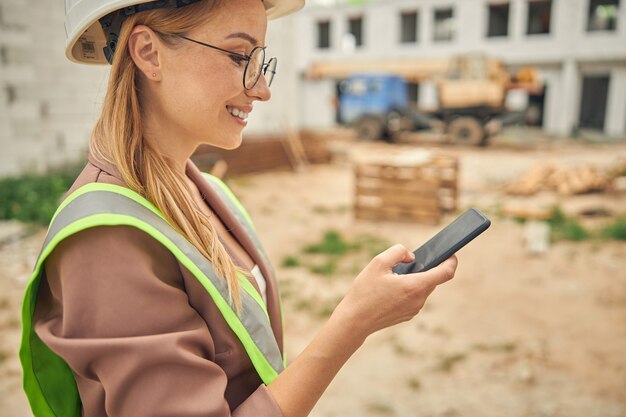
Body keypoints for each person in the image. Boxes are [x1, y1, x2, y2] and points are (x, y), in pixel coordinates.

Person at [19, 0, 458, 416]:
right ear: (149, 54)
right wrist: (353, 323)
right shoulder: (106, 243)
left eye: (260, 60)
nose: (262, 89)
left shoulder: (202, 189)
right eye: (238, 56)